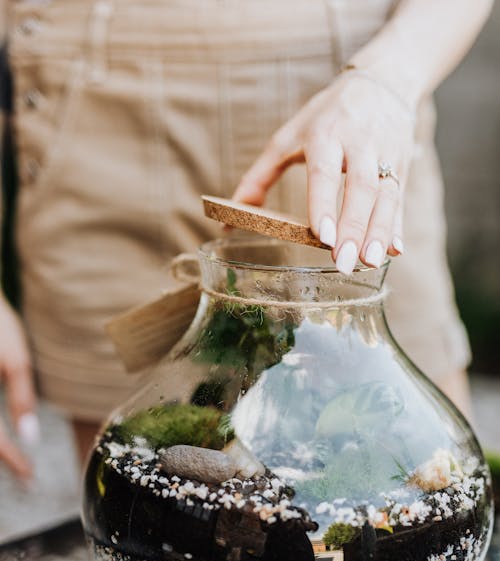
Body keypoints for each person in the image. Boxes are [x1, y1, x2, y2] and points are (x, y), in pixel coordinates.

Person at [0, 0, 493, 479]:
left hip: (341, 125)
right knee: (146, 511)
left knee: (415, 480)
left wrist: (386, 80)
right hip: (93, 129)